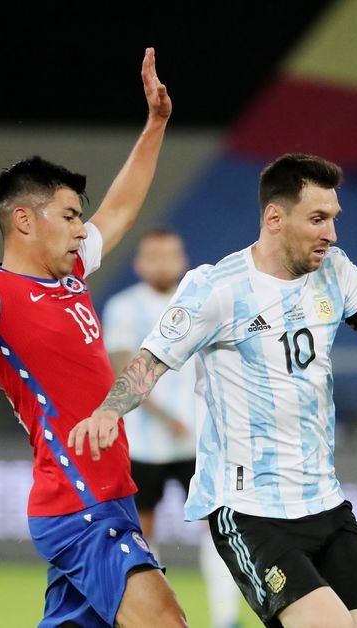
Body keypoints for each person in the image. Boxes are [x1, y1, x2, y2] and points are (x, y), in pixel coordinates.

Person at [69, 153, 357, 628]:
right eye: (318, 219)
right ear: (274, 218)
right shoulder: (218, 289)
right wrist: (110, 411)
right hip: (251, 510)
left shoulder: (335, 272)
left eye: (334, 219)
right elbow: (151, 360)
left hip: (324, 501)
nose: (331, 234)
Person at [0, 48, 187, 628]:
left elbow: (121, 209)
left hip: (110, 495)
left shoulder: (73, 273)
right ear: (24, 220)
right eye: (68, 215)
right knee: (166, 622)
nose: (81, 227)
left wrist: (156, 125)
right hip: (79, 502)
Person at [101, 227, 242, 628]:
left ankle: (225, 617)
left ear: (182, 259)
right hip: (144, 444)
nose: (163, 263)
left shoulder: (203, 302)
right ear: (139, 263)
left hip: (200, 440)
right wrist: (167, 417)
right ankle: (151, 615)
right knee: (141, 534)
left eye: (170, 255)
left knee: (218, 527)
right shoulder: (124, 307)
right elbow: (125, 369)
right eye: (154, 256)